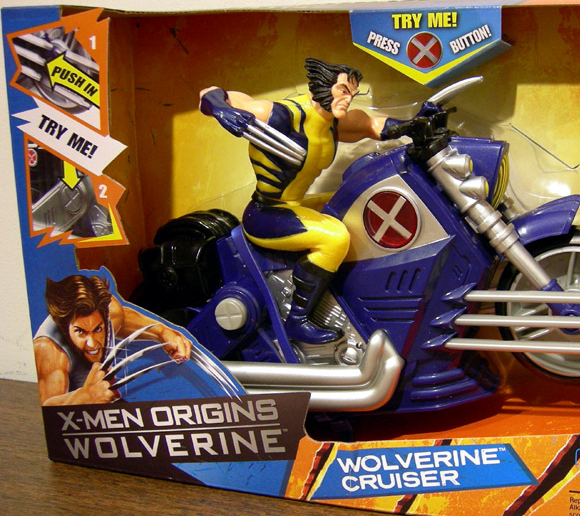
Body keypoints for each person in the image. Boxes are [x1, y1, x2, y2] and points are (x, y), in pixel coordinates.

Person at [200, 58, 400, 344]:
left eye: (352, 94)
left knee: (354, 201)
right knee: (335, 239)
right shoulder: (282, 115)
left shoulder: (332, 123)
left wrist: (416, 125)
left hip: (294, 204)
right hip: (265, 213)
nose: (347, 99)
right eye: (343, 90)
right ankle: (298, 320)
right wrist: (221, 110)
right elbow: (210, 93)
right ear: (323, 86)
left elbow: (373, 125)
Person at [34, 274, 192, 406]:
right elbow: (47, 409)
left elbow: (124, 320)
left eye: (98, 329)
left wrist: (163, 332)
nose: (92, 343)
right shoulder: (49, 349)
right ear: (65, 328)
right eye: (80, 332)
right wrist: (85, 397)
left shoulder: (110, 312)